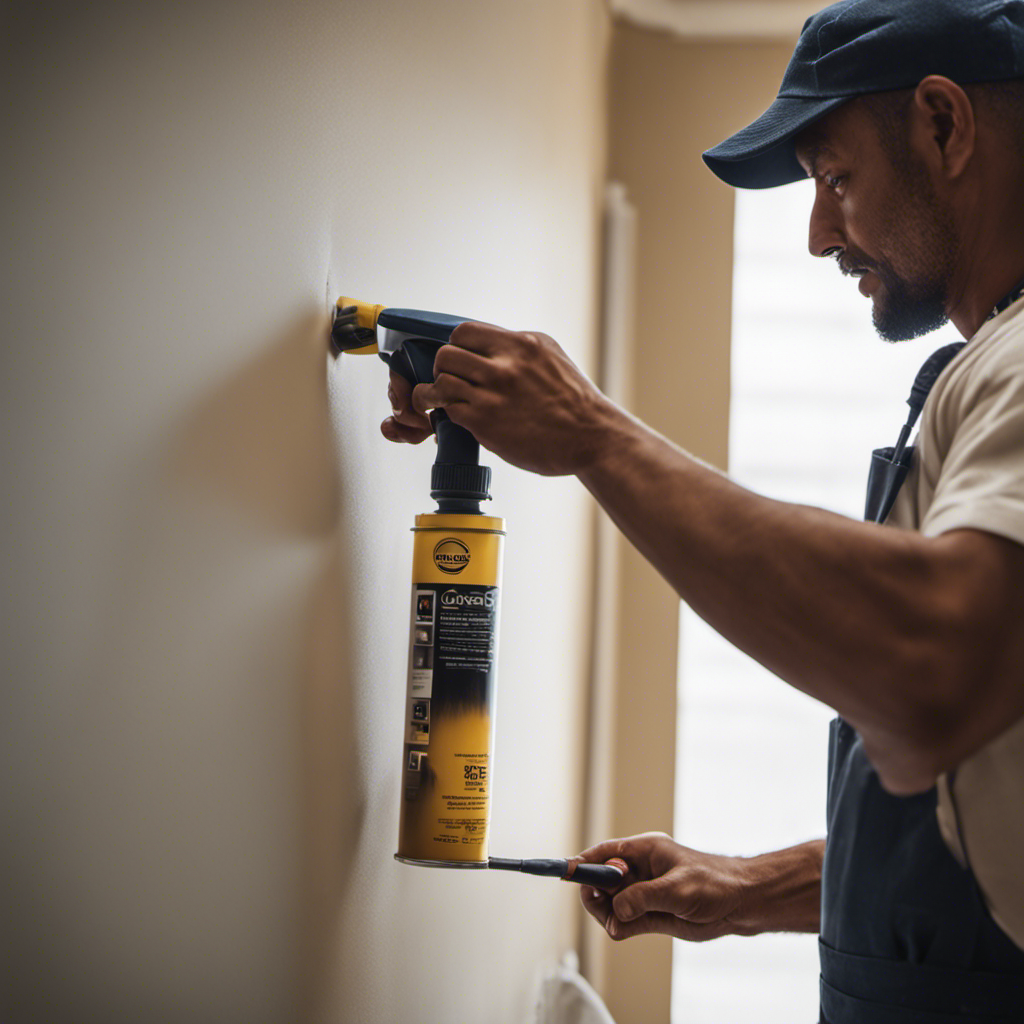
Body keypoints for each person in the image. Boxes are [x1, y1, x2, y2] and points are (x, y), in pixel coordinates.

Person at [383, 1, 1024, 1019]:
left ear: (943, 126)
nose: (819, 234)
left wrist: (592, 435)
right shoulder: (985, 363)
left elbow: (934, 669)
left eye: (833, 178)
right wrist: (744, 889)